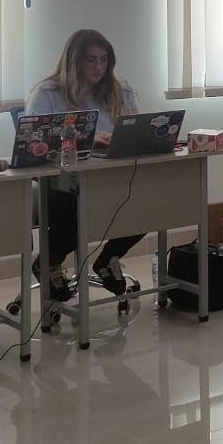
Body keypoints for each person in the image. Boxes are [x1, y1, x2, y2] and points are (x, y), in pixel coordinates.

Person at [25, 29, 144, 298]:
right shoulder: (47, 93)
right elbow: (32, 143)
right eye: (91, 60)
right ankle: (48, 263)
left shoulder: (121, 90)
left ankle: (109, 258)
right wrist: (85, 141)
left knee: (147, 200)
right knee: (77, 207)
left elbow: (135, 130)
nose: (98, 66)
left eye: (104, 60)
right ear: (74, 61)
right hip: (59, 182)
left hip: (111, 175)